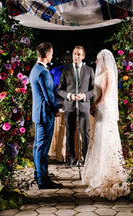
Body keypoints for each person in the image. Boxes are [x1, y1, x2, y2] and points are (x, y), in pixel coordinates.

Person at [81, 49, 129, 200]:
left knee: (106, 137)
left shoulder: (108, 73)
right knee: (99, 137)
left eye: (97, 59)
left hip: (104, 108)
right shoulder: (101, 72)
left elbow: (106, 94)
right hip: (99, 107)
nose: (96, 62)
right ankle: (99, 169)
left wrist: (95, 105)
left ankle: (108, 171)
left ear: (103, 59)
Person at [29, 42, 62, 190]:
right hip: (44, 115)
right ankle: (43, 180)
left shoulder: (34, 69)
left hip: (38, 113)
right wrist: (56, 109)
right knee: (42, 149)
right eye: (52, 54)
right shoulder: (43, 72)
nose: (52, 56)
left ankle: (39, 174)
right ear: (47, 55)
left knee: (38, 146)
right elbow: (49, 96)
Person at [57, 46, 95, 166]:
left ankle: (86, 158)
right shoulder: (66, 70)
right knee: (70, 133)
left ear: (83, 56)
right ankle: (71, 158)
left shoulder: (89, 70)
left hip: (83, 106)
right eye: (74, 54)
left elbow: (94, 90)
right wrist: (69, 95)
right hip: (70, 106)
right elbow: (59, 90)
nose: (76, 57)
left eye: (79, 54)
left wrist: (84, 96)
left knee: (85, 133)